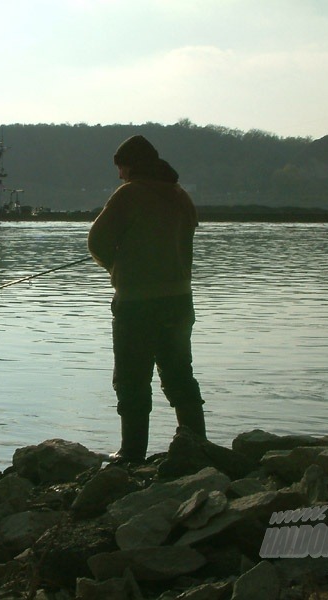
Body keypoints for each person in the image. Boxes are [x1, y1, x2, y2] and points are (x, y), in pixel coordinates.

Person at [88, 135, 206, 463]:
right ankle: (198, 446)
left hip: (136, 303)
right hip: (180, 302)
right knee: (179, 374)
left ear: (133, 165)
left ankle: (132, 453)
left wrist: (116, 266)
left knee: (131, 377)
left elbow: (97, 241)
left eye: (122, 167)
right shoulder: (181, 196)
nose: (119, 175)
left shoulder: (130, 194)